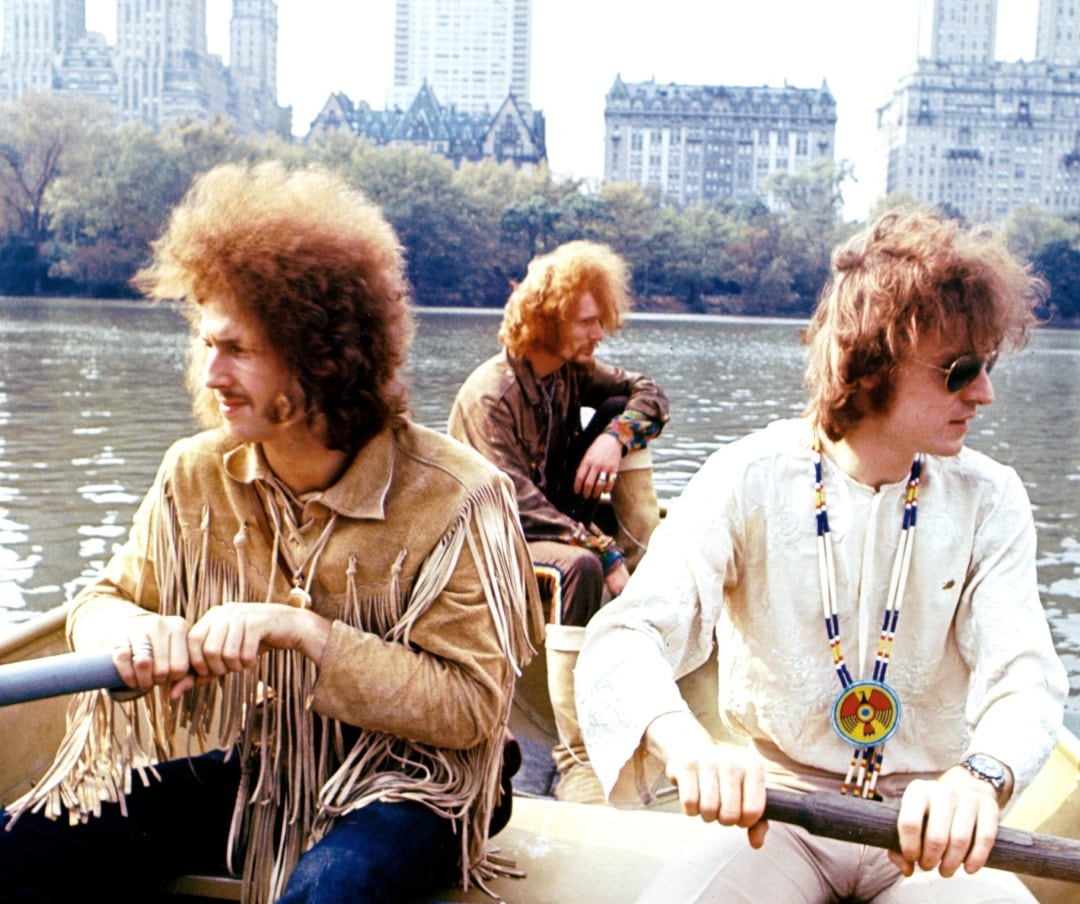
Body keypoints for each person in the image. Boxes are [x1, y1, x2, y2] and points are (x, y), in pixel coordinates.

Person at [0, 161, 541, 903]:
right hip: (267, 767)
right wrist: (132, 631)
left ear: (320, 355)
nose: (209, 372)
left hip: (423, 784)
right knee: (18, 843)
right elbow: (103, 598)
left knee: (333, 888)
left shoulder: (462, 497)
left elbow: (471, 707)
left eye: (238, 350)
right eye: (206, 343)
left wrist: (304, 633)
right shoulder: (192, 471)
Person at [576, 208, 1068, 902]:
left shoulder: (993, 499)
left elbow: (1024, 676)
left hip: (927, 829)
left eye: (985, 366)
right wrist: (688, 748)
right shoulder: (746, 476)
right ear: (870, 361)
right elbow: (626, 636)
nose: (984, 393)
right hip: (776, 816)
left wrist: (979, 778)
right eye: (961, 371)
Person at [448, 240, 669, 803]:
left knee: (623, 421)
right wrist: (605, 551)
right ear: (547, 321)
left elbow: (650, 394)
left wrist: (613, 441)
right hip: (492, 541)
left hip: (556, 529)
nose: (601, 333)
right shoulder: (491, 394)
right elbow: (513, 502)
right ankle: (576, 759)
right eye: (588, 321)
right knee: (579, 568)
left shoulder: (571, 374)